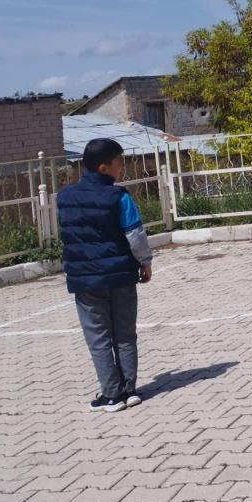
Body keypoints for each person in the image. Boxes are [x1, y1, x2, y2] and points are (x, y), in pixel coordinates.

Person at [57, 138, 153, 412]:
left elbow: (68, 234)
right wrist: (145, 263)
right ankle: (129, 389)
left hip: (85, 279)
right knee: (124, 333)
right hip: (121, 275)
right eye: (118, 162)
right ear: (103, 167)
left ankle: (111, 395)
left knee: (98, 338)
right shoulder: (119, 197)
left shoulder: (64, 197)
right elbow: (135, 235)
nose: (122, 167)